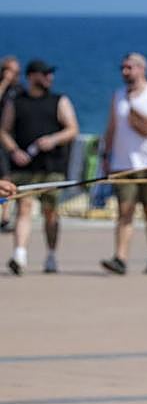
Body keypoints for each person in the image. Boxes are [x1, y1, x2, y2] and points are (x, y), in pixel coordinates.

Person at [99, 53, 147, 275]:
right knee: (124, 210)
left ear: (142, 69)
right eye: (122, 68)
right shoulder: (118, 96)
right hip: (123, 163)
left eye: (129, 67)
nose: (125, 72)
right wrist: (106, 155)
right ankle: (120, 258)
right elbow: (111, 128)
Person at [0, 59, 79, 275]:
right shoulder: (16, 102)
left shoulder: (59, 100)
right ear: (32, 76)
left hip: (51, 166)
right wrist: (14, 150)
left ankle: (51, 255)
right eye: (44, 74)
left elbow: (72, 129)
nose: (49, 78)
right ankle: (19, 254)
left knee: (51, 212)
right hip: (25, 167)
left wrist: (53, 140)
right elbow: (4, 130)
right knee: (24, 208)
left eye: (50, 74)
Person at [0, 55, 21, 232]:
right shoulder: (4, 88)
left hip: (11, 141)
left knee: (7, 178)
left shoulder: (19, 90)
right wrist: (4, 82)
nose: (14, 75)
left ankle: (5, 217)